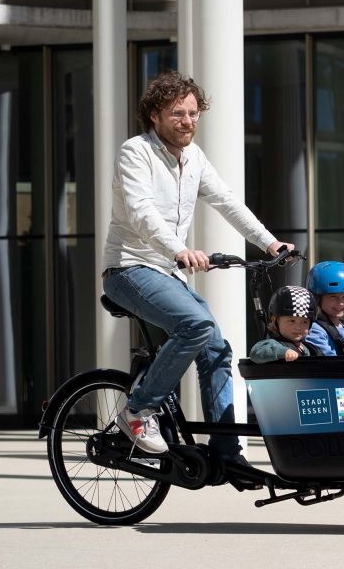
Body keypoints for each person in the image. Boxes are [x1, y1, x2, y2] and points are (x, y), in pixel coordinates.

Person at [102, 70, 292, 466]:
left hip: (166, 273)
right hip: (129, 268)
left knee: (218, 350)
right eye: (177, 114)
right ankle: (138, 410)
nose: (187, 121)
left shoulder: (194, 158)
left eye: (193, 113)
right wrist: (179, 250)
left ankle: (226, 453)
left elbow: (227, 201)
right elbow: (141, 213)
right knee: (197, 325)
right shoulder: (135, 152)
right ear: (154, 115)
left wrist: (269, 242)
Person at [249, 286, 324, 363]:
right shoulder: (272, 344)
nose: (298, 327)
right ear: (275, 320)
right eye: (292, 321)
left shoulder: (310, 349)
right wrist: (283, 352)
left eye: (304, 322)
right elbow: (256, 352)